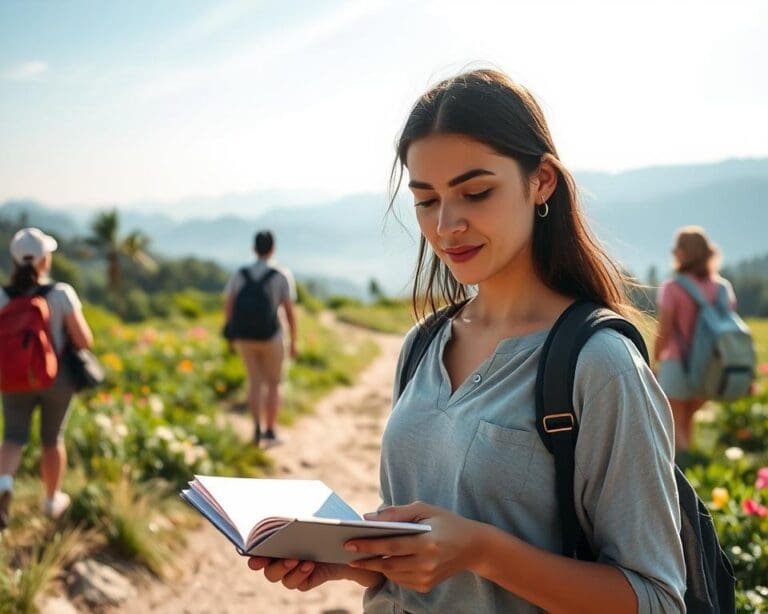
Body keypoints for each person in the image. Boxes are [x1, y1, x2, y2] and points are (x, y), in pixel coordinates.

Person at [245, 69, 685, 612]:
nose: (446, 225)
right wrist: (358, 558)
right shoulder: (422, 346)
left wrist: (481, 550)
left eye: (475, 193)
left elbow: (658, 598)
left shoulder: (598, 364)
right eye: (426, 200)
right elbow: (429, 554)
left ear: (541, 180)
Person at [0, 227, 93, 529]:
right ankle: (52, 500)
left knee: (13, 437)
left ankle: (4, 485)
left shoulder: (2, 296)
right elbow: (83, 340)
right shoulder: (61, 293)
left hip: (13, 377)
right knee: (52, 439)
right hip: (57, 378)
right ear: (44, 260)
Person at [654, 226, 737, 452]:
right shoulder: (722, 287)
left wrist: (654, 359)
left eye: (676, 248)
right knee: (689, 418)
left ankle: (685, 466)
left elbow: (666, 328)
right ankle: (692, 459)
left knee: (674, 421)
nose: (673, 252)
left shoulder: (672, 287)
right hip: (711, 363)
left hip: (677, 361)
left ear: (684, 252)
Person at [224, 230, 297, 447]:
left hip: (244, 336)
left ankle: (256, 429)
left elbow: (229, 305)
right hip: (271, 336)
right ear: (273, 248)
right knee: (273, 384)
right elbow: (289, 311)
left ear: (254, 249)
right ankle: (270, 431)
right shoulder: (281, 274)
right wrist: (294, 340)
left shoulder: (240, 273)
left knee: (254, 381)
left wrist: (231, 334)